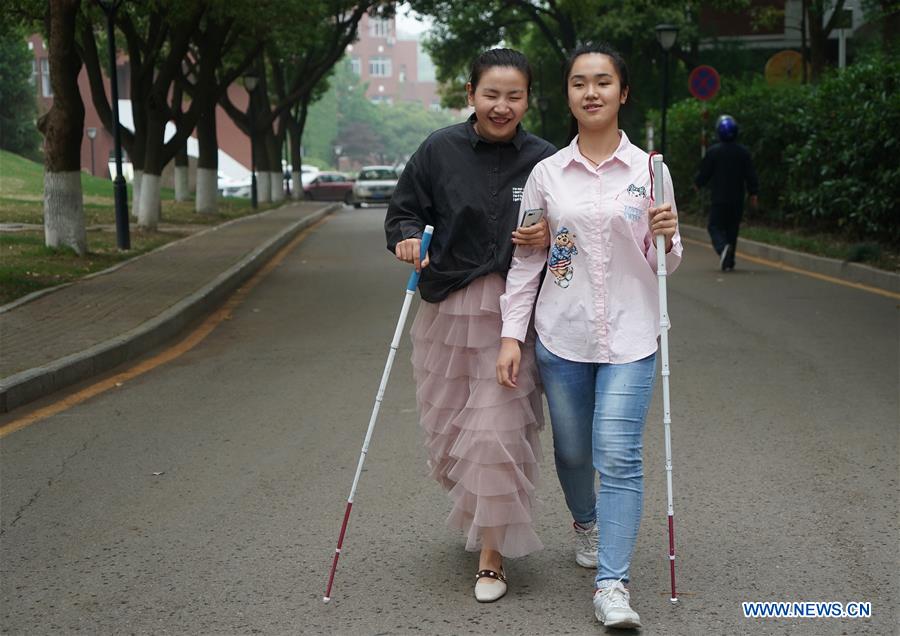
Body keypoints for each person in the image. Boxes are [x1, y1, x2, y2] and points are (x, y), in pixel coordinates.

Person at [496, 43, 682, 629]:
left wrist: (668, 236)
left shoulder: (651, 171)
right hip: (562, 335)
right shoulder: (546, 175)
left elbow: (667, 263)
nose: (592, 92)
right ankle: (585, 519)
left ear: (623, 92)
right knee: (574, 452)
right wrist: (511, 334)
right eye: (580, 83)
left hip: (631, 336)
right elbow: (529, 260)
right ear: (569, 95)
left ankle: (612, 585)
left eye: (604, 82)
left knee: (619, 456)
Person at [384, 48, 556, 603]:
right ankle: (481, 512)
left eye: (514, 95)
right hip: (448, 312)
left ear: (529, 99)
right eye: (491, 94)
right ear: (470, 95)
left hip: (517, 314)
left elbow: (577, 232)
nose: (502, 106)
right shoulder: (439, 149)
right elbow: (403, 211)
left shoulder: (548, 160)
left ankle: (491, 557)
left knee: (498, 429)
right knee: (450, 437)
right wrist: (408, 237)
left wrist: (551, 236)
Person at [694, 114, 759, 271]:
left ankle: (722, 247)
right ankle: (729, 261)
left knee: (714, 226)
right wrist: (753, 194)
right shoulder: (743, 152)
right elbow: (751, 175)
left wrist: (698, 184)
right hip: (737, 199)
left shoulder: (713, 152)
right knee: (732, 229)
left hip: (719, 198)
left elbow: (704, 173)